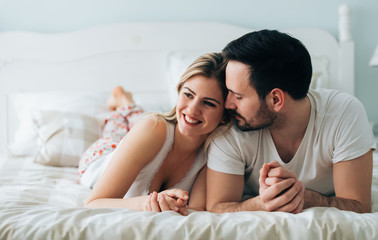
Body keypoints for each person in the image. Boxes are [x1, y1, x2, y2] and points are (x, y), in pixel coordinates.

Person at [206, 30, 376, 214]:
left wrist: (301, 196)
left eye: (238, 96)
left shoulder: (344, 114)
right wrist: (261, 203)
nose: (228, 103)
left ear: (276, 100)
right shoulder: (231, 124)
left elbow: (358, 205)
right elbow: (217, 207)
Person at [79, 53, 230, 215]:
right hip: (102, 155)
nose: (192, 109)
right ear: (179, 92)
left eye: (208, 103)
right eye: (188, 94)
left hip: (148, 137)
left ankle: (126, 103)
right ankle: (122, 100)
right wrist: (146, 203)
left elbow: (195, 210)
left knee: (139, 124)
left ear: (224, 115)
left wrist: (165, 203)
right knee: (119, 130)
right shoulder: (151, 128)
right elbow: (93, 203)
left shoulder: (215, 153)